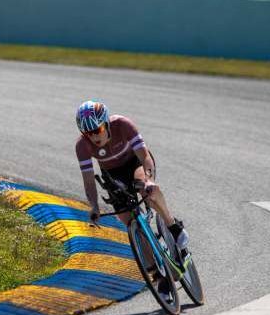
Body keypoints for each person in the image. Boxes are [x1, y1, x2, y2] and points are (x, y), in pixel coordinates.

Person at [74, 100, 189, 288]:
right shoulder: (82, 146)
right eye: (88, 133)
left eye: (97, 130)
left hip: (135, 164)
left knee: (146, 188)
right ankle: (156, 273)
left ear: (106, 123)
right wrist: (94, 206)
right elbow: (88, 181)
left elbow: (145, 156)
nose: (94, 137)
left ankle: (172, 225)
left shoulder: (123, 124)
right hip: (113, 174)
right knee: (127, 219)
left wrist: (149, 179)